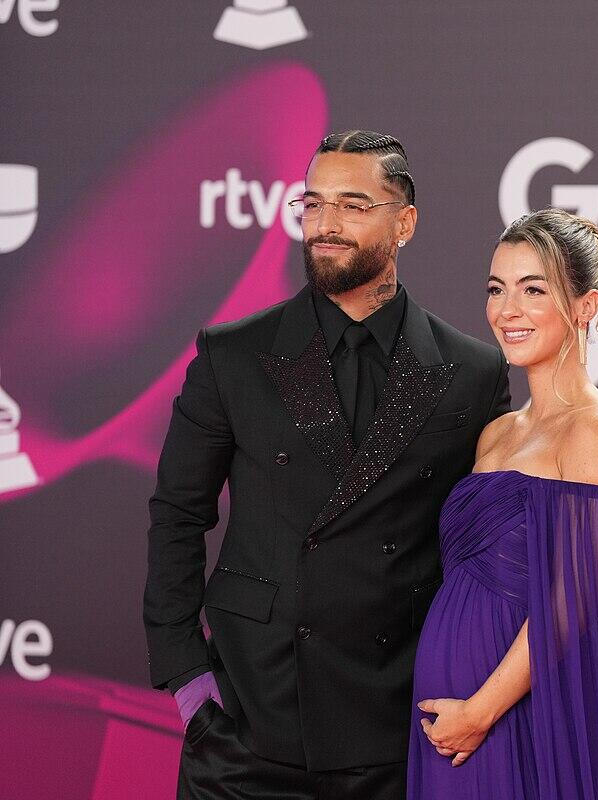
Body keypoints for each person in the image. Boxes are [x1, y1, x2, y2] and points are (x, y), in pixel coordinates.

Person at [143, 130, 510, 799]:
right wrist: (187, 679)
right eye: (312, 205)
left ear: (405, 223)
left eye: (352, 205)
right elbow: (177, 514)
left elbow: (485, 551)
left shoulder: (471, 373)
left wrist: (474, 689)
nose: (325, 225)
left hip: (397, 723)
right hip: (246, 721)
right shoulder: (234, 354)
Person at [407, 208, 598, 799]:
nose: (508, 310)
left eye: (534, 289)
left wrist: (480, 710)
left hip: (523, 715)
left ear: (585, 305)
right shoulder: (496, 433)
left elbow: (574, 599)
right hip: (451, 719)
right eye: (497, 289)